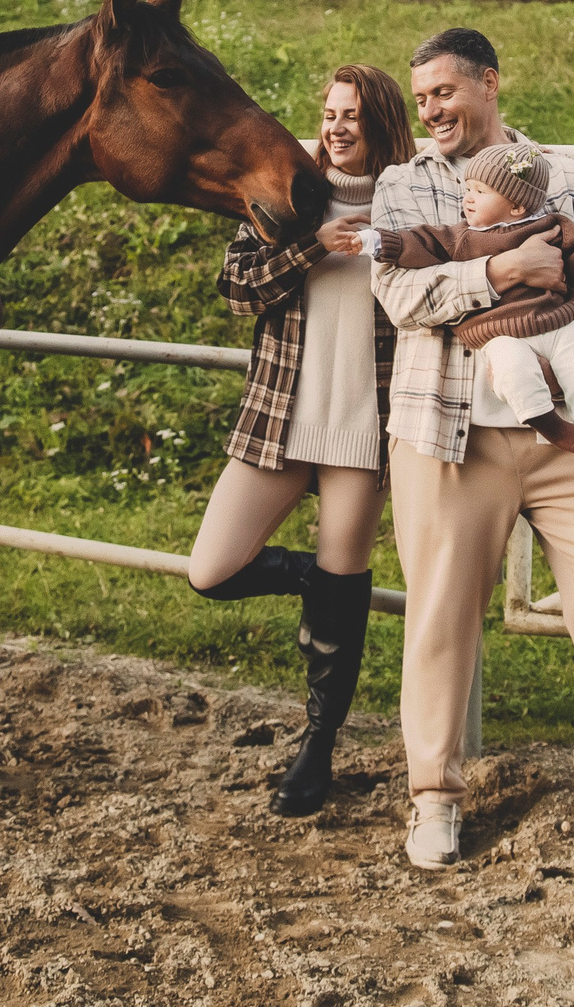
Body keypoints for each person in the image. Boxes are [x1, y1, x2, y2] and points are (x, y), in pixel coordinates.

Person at [372, 27, 574, 870]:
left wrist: (568, 366)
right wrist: (500, 279)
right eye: (422, 98)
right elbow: (400, 293)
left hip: (568, 440)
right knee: (440, 615)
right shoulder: (404, 185)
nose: (432, 109)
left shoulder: (569, 180)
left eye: (445, 91)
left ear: (490, 83)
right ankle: (433, 798)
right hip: (447, 433)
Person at [187, 62, 417, 816]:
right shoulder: (287, 189)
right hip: (282, 414)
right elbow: (236, 291)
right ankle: (315, 582)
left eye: (351, 114)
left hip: (364, 423)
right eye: (328, 112)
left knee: (346, 584)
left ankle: (317, 747)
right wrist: (317, 245)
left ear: (381, 120)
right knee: (213, 569)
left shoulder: (410, 202)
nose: (336, 126)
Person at [366, 144, 574, 470]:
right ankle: (550, 423)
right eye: (467, 190)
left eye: (480, 191)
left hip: (558, 322)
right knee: (512, 368)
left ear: (517, 206)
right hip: (501, 329)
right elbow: (422, 243)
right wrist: (381, 242)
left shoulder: (553, 225)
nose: (468, 199)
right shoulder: (465, 237)